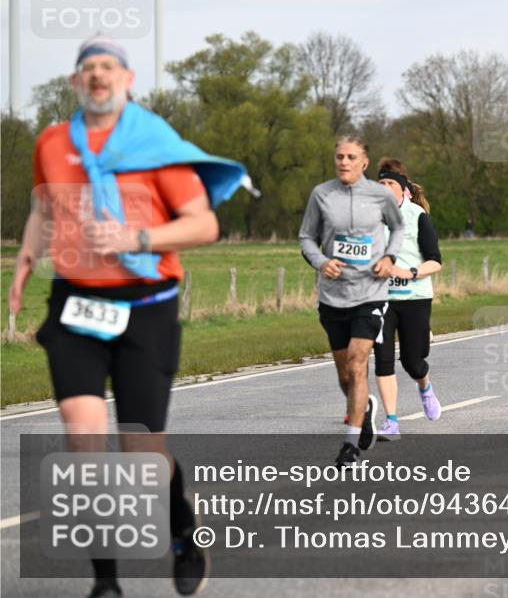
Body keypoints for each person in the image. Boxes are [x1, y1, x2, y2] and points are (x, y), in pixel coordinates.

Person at [7, 35, 253, 598]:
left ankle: (182, 531)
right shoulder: (51, 142)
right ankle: (106, 582)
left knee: (141, 452)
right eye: (87, 67)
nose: (97, 75)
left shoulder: (152, 146)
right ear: (74, 82)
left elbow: (203, 224)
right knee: (84, 442)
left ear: (127, 79)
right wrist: (25, 259)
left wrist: (135, 235)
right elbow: (43, 207)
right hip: (76, 307)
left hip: (145, 309)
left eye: (108, 67)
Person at [299, 135, 405, 467]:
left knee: (358, 365)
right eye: (339, 157)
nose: (344, 162)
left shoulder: (379, 195)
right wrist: (320, 261)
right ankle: (365, 408)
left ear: (364, 162)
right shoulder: (322, 194)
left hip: (371, 293)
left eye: (351, 157)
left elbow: (397, 228)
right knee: (346, 375)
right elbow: (306, 237)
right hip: (333, 297)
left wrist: (389, 257)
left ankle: (350, 446)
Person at [371, 159, 443, 441]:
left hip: (415, 297)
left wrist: (409, 272)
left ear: (403, 190)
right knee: (383, 359)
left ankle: (424, 386)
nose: (386, 188)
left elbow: (436, 262)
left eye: (391, 184)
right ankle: (391, 422)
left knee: (413, 361)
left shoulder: (417, 216)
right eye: (381, 185)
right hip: (381, 299)